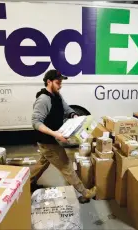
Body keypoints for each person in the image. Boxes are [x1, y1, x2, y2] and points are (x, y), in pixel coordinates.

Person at [30, 69, 97, 201]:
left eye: (61, 83)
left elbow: (66, 108)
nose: (60, 85)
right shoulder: (43, 99)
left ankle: (27, 183)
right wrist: (55, 133)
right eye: (57, 82)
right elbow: (35, 122)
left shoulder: (57, 96)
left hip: (51, 140)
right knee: (66, 166)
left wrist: (74, 115)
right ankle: (85, 193)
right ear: (49, 82)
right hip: (48, 141)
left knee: (43, 162)